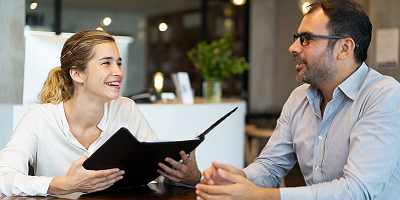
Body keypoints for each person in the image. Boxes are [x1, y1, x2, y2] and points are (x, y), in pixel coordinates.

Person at [196, 0, 400, 199]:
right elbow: (269, 167)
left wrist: (260, 196)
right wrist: (237, 178)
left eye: (307, 38)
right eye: (298, 37)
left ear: (344, 48)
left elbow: (357, 191)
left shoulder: (384, 96)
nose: (293, 47)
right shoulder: (299, 98)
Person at [0, 30, 201, 197]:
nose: (119, 72)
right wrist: (60, 185)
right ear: (77, 74)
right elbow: (3, 176)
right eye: (106, 63)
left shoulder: (126, 109)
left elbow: (155, 172)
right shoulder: (39, 118)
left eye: (119, 63)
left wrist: (189, 177)